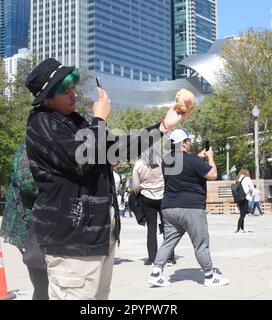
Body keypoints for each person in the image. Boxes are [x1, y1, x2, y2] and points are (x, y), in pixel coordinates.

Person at [25, 58, 191, 300]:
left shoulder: (75, 121)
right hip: (71, 240)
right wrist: (99, 120)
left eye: (74, 90)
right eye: (66, 92)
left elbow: (121, 148)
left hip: (99, 236)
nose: (74, 96)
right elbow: (84, 160)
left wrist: (164, 125)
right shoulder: (40, 124)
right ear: (47, 98)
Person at [148, 129, 229, 288]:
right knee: (201, 243)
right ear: (183, 143)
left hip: (169, 207)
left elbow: (183, 165)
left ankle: (156, 272)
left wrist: (197, 158)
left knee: (168, 241)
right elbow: (212, 174)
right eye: (188, 140)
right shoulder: (192, 160)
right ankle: (209, 276)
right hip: (191, 207)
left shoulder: (166, 160)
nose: (190, 143)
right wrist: (210, 157)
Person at [1, 143, 49, 300]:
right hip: (29, 222)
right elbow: (26, 181)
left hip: (42, 221)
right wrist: (59, 187)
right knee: (41, 278)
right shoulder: (29, 147)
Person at [133, 146, 175, 266]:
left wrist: (138, 193)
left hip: (147, 197)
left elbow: (136, 185)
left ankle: (152, 258)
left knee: (151, 229)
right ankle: (169, 257)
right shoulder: (163, 162)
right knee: (167, 227)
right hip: (163, 196)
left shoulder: (139, 165)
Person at [234, 169, 255, 233]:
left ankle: (242, 228)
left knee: (242, 213)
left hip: (239, 198)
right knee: (243, 215)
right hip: (245, 198)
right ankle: (238, 229)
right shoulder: (247, 178)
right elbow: (252, 188)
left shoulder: (238, 179)